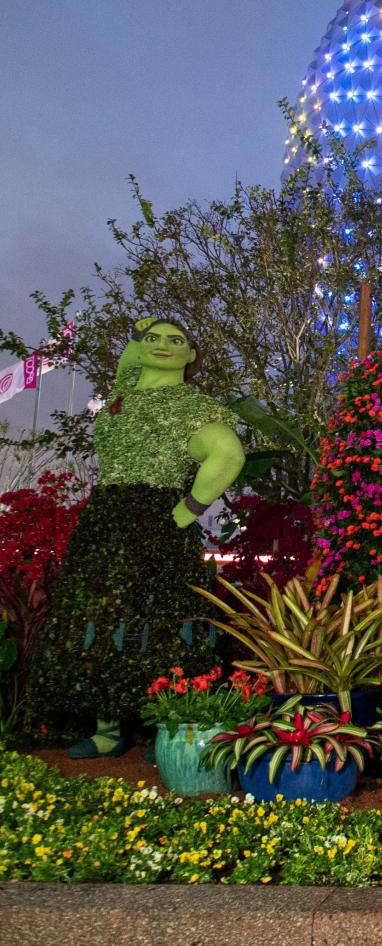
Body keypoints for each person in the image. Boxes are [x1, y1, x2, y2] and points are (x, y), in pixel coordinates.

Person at [29, 317, 245, 756]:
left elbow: (228, 453)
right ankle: (106, 729)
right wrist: (139, 331)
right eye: (152, 339)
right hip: (107, 515)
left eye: (176, 340)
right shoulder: (124, 389)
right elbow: (129, 359)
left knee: (160, 618)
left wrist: (188, 511)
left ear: (191, 356)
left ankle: (165, 726)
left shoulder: (191, 404)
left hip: (157, 514)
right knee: (102, 617)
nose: (161, 345)